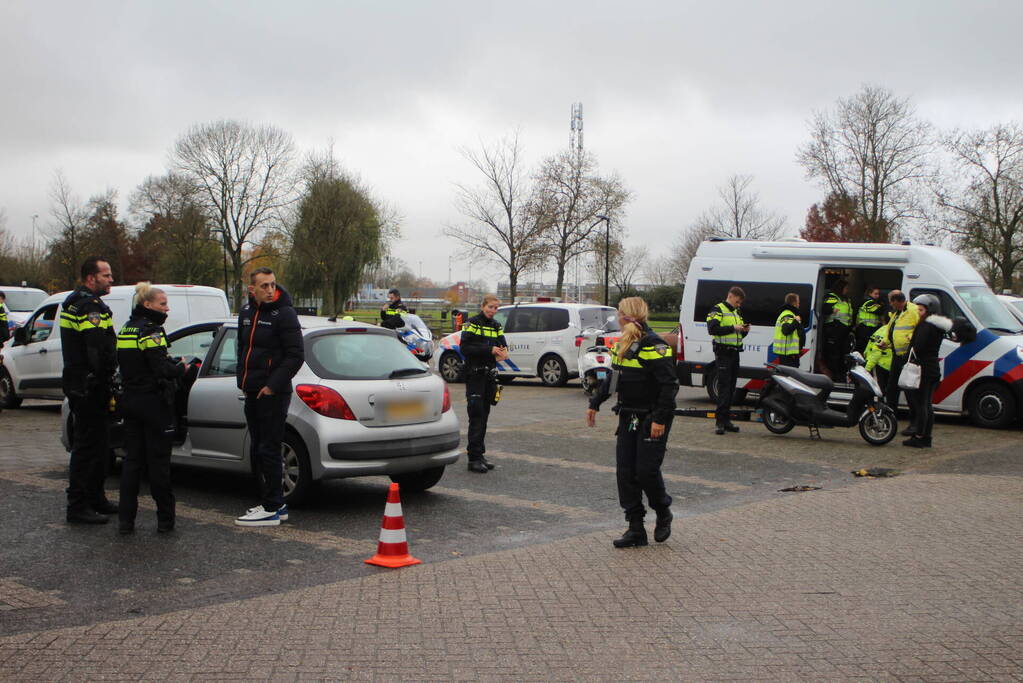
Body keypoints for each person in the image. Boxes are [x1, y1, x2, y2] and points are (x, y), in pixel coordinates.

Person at [587, 296, 678, 548]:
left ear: (627, 317)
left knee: (646, 471)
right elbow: (613, 380)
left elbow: (669, 386)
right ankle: (635, 528)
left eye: (619, 314)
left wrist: (660, 419)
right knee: (626, 472)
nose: (617, 318)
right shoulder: (622, 345)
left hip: (652, 417)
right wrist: (596, 402)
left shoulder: (654, 345)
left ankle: (663, 511)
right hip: (629, 415)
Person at [234, 267, 304, 527]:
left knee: (269, 448)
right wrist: (241, 379)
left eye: (273, 284)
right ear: (251, 289)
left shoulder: (284, 314)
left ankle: (273, 506)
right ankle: (272, 503)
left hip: (272, 393)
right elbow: (243, 347)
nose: (270, 289)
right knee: (258, 448)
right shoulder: (246, 312)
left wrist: (273, 385)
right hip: (251, 390)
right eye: (264, 285)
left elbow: (296, 355)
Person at [115, 283, 186, 534]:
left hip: (130, 401)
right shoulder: (151, 330)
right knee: (158, 463)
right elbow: (161, 368)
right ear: (148, 305)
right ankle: (166, 520)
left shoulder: (127, 329)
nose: (167, 308)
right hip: (152, 403)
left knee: (132, 462)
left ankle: (126, 520)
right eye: (162, 304)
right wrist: (181, 369)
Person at [61, 257, 118, 524]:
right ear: (90, 278)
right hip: (88, 385)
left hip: (87, 383)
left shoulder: (84, 303)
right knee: (87, 447)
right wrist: (104, 374)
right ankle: (78, 505)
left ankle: (96, 498)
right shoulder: (87, 307)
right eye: (105, 275)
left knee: (100, 445)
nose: (111, 279)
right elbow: (95, 348)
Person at [460, 294, 509, 473]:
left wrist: (503, 352)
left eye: (496, 308)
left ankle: (480, 454)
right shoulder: (472, 323)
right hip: (475, 376)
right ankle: (473, 458)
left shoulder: (496, 326)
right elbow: (465, 348)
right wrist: (489, 349)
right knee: (476, 415)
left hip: (489, 376)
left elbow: (503, 346)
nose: (493, 311)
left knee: (485, 415)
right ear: (483, 306)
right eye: (490, 307)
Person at [903, 294, 951, 448]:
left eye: (921, 310)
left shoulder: (925, 326)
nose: (918, 312)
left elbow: (918, 346)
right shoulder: (937, 326)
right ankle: (926, 436)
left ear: (929, 311)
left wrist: (910, 346)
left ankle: (920, 436)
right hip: (932, 368)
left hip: (923, 368)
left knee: (923, 404)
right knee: (928, 404)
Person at [707, 286, 749, 435]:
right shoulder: (717, 309)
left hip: (735, 352)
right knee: (724, 387)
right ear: (730, 296)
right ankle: (719, 422)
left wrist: (743, 331)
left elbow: (737, 335)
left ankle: (726, 420)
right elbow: (712, 329)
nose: (739, 305)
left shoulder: (737, 312)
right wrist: (733, 328)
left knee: (732, 388)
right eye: (737, 302)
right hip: (723, 352)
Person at [878, 290, 919, 433]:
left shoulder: (913, 311)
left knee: (909, 391)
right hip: (897, 355)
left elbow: (919, 329)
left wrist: (911, 339)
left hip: (908, 357)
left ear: (896, 301)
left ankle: (915, 423)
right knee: (891, 389)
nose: (890, 304)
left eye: (891, 301)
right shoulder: (896, 314)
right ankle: (889, 419)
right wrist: (885, 342)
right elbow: (892, 331)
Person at [821, 279, 853, 378]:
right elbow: (824, 308)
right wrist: (831, 309)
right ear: (841, 288)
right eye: (846, 288)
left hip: (843, 329)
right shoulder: (832, 297)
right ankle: (834, 375)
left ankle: (840, 373)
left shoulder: (846, 299)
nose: (847, 290)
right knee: (833, 354)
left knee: (842, 353)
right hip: (834, 329)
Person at [772, 293, 804, 368]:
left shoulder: (790, 314)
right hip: (788, 354)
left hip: (790, 353)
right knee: (790, 378)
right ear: (794, 303)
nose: (799, 304)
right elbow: (786, 330)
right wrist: (796, 321)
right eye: (798, 302)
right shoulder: (787, 315)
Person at [855, 286, 886, 354]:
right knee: (863, 349)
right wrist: (882, 305)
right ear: (869, 293)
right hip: (864, 329)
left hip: (871, 329)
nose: (878, 296)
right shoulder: (867, 302)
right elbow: (879, 310)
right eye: (875, 294)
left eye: (878, 294)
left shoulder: (875, 302)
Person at [863, 322, 893, 391]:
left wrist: (867, 368)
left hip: (881, 364)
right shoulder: (895, 330)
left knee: (880, 390)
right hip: (890, 365)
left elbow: (876, 351)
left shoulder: (881, 330)